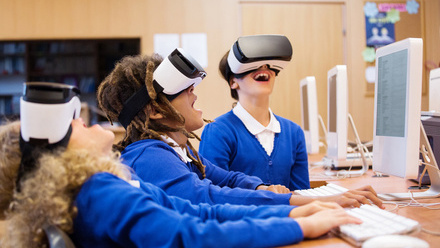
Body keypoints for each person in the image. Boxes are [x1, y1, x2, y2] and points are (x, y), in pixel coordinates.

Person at [0, 82, 362, 248]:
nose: (88, 122)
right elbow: (188, 234)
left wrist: (289, 214)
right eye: (75, 124)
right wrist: (299, 226)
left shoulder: (102, 186)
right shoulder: (100, 192)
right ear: (59, 155)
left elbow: (194, 211)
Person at [98, 48, 383, 208]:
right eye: (186, 91)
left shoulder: (178, 152)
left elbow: (226, 178)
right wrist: (297, 206)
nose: (195, 95)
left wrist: (262, 186)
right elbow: (207, 197)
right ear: (155, 110)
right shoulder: (147, 155)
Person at [199, 35, 382, 200]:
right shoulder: (218, 131)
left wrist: (336, 198)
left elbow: (302, 195)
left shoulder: (293, 132)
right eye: (253, 64)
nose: (263, 68)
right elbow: (216, 196)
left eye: (268, 65)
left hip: (292, 223)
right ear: (233, 81)